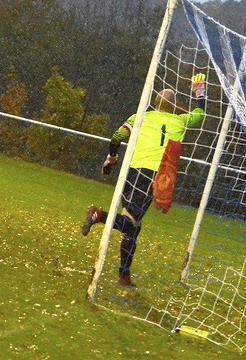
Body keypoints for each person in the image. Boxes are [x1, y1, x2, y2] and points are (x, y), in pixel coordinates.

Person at [82, 74, 207, 287]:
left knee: (134, 227)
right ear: (174, 107)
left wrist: (111, 157)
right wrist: (199, 89)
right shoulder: (180, 121)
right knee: (130, 222)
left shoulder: (141, 116)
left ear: (155, 104)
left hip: (131, 172)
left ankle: (124, 275)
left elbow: (117, 137)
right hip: (153, 176)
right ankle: (98, 215)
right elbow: (200, 114)